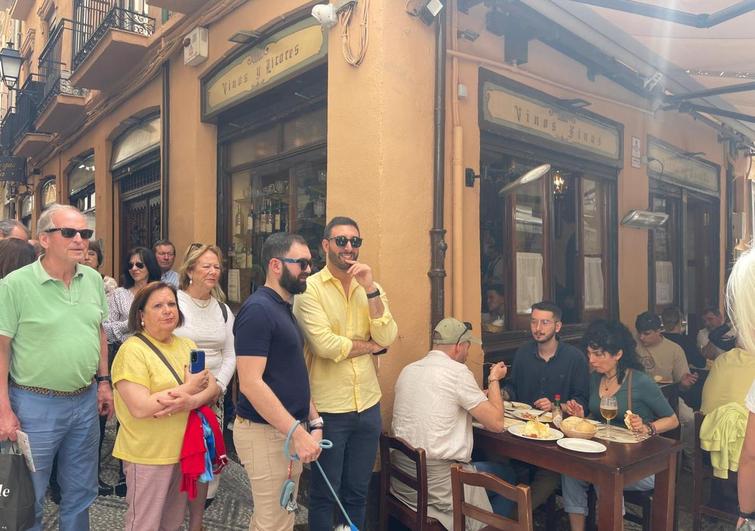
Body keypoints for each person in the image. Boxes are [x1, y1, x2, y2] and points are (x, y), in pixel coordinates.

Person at [0, 204, 113, 531]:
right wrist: (4, 409)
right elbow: (2, 349)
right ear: (44, 239)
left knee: (81, 491)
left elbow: (99, 331)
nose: (81, 240)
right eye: (70, 232)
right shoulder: (15, 285)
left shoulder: (92, 280)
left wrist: (103, 381)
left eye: (85, 233)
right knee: (29, 495)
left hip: (84, 401)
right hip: (35, 406)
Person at [293, 216, 398, 531]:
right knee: (326, 493)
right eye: (341, 241)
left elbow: (389, 335)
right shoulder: (308, 289)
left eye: (355, 241)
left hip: (367, 404)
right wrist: (371, 346)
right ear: (326, 245)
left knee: (358, 490)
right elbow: (325, 345)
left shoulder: (372, 288)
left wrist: (369, 289)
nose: (349, 248)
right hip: (329, 407)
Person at [234, 232, 323, 531]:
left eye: (310, 263)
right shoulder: (258, 310)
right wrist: (297, 432)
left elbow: (291, 372)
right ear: (275, 265)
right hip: (266, 433)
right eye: (302, 263)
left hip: (284, 432)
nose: (308, 269)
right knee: (274, 523)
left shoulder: (283, 308)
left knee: (278, 519)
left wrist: (314, 419)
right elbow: (251, 383)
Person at [112, 281, 218, 530]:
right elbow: (140, 407)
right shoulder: (132, 351)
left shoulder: (186, 345)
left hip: (183, 451)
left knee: (172, 523)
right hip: (147, 454)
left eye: (171, 304)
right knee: (144, 524)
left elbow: (212, 386)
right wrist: (189, 390)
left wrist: (191, 400)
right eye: (158, 305)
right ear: (141, 315)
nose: (168, 310)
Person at [391, 318, 516, 530]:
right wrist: (494, 379)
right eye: (468, 347)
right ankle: (485, 525)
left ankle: (475, 519)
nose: (468, 353)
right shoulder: (458, 373)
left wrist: (477, 398)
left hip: (404, 480)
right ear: (459, 346)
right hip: (438, 484)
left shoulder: (409, 369)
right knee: (509, 477)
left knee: (488, 472)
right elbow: (496, 423)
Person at [561, 320, 679, 531]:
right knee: (570, 470)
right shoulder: (595, 379)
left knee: (603, 475)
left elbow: (672, 420)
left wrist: (647, 427)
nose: (591, 360)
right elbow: (596, 418)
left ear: (618, 354)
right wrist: (582, 417)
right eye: (589, 353)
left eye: (598, 354)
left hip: (644, 464)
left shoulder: (640, 382)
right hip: (608, 455)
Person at [501, 300, 589, 509]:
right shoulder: (523, 353)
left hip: (555, 439)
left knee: (549, 475)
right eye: (534, 322)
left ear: (557, 327)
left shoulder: (574, 358)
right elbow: (513, 387)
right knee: (496, 458)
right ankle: (505, 509)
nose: (538, 329)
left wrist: (557, 406)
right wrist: (501, 393)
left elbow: (583, 401)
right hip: (520, 433)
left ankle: (514, 520)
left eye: (545, 323)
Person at [175, 244, 236, 530]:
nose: (213, 272)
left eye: (216, 266)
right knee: (177, 465)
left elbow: (231, 355)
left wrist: (218, 388)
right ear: (189, 270)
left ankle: (196, 523)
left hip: (213, 401)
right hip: (179, 397)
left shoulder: (223, 310)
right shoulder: (173, 302)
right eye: (205, 266)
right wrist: (189, 391)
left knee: (205, 466)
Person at [103, 247, 161, 347]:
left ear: (150, 266)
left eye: (139, 265)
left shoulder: (161, 293)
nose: (134, 268)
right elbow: (106, 331)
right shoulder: (118, 294)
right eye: (130, 265)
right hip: (128, 350)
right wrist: (130, 323)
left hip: (157, 350)